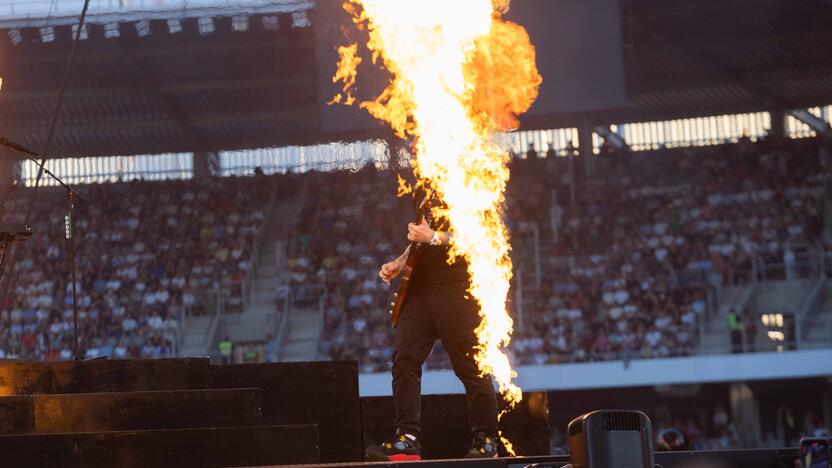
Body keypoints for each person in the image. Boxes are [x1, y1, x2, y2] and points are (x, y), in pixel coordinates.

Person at [365, 190, 500, 461]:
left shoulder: (469, 175)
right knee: (404, 360)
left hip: (458, 289)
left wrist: (435, 237)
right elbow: (422, 236)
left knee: (472, 368)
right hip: (420, 289)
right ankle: (408, 439)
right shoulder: (424, 182)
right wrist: (401, 262)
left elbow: (480, 237)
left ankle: (486, 440)